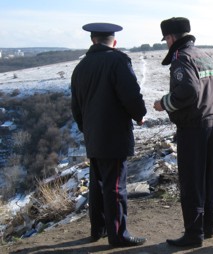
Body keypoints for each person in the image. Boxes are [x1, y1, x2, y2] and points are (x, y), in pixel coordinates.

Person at [71, 22, 147, 247]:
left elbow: (75, 106)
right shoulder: (118, 61)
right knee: (115, 186)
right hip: (113, 135)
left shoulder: (80, 67)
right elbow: (131, 94)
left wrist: (87, 128)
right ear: (114, 42)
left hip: (93, 136)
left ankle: (99, 229)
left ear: (93, 40)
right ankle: (118, 235)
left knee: (97, 184)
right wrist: (139, 115)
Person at [154, 17, 213, 248]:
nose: (166, 43)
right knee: (208, 179)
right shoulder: (204, 56)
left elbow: (188, 92)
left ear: (171, 37)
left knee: (192, 181)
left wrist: (164, 103)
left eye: (166, 39)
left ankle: (193, 235)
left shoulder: (181, 58)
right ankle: (207, 227)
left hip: (193, 128)